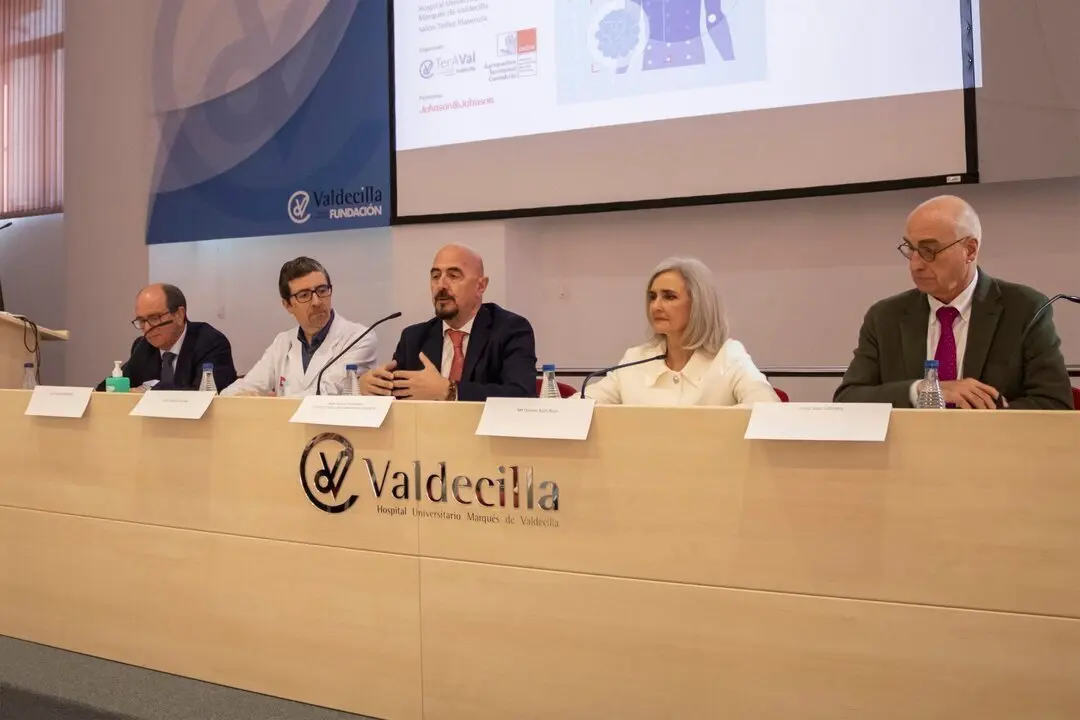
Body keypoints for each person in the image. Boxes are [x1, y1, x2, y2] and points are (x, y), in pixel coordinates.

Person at [834, 195, 1072, 410]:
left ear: (970, 250)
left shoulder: (1025, 309)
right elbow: (848, 399)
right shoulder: (885, 316)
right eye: (910, 249)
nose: (915, 264)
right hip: (909, 454)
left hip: (991, 453)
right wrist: (922, 390)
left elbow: (1054, 404)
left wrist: (987, 414)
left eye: (929, 250)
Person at [584, 257, 779, 406]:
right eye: (652, 297)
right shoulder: (635, 359)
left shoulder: (728, 357)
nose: (656, 306)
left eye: (669, 297)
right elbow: (585, 405)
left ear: (698, 304)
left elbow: (766, 408)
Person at [359, 243, 536, 401]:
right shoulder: (413, 338)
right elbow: (397, 395)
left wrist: (450, 391)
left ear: (480, 286)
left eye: (453, 276)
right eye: (435, 276)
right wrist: (371, 389)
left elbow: (522, 395)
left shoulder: (510, 330)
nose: (441, 285)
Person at [220, 257, 377, 397]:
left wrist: (272, 404)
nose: (316, 301)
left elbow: (327, 392)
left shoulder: (359, 337)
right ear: (288, 305)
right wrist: (237, 396)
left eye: (322, 291)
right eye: (304, 295)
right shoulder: (283, 342)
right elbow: (249, 384)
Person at [96, 283, 237, 392]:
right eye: (141, 321)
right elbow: (106, 389)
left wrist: (148, 391)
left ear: (179, 315)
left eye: (154, 318)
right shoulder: (144, 346)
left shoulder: (210, 342)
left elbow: (204, 396)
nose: (147, 328)